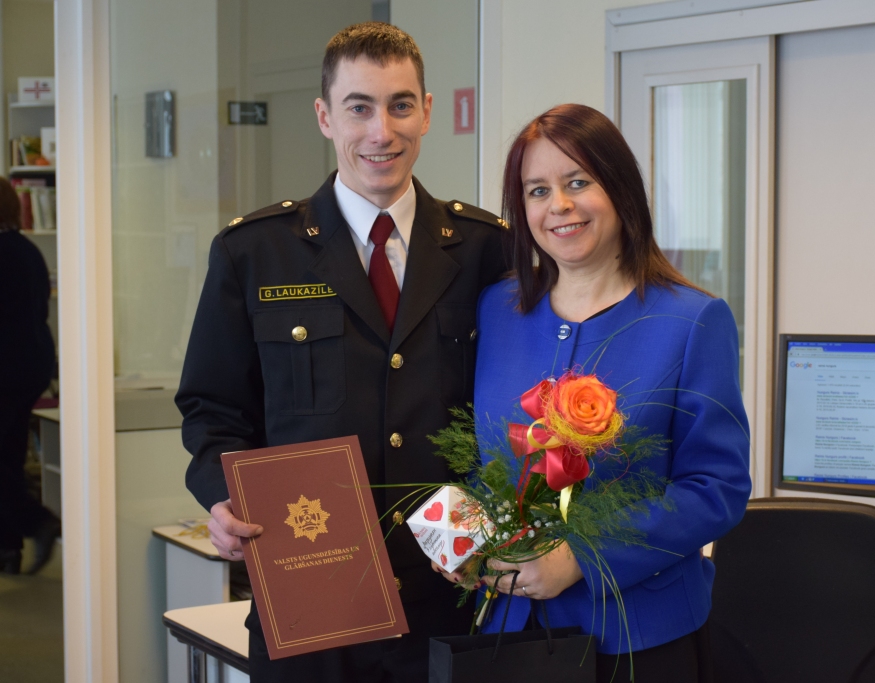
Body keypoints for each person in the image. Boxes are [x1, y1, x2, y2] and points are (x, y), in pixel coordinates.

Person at [175, 22, 507, 682]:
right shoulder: (254, 252)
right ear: (326, 116)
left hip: (449, 594)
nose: (381, 132)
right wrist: (220, 496)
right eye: (359, 107)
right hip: (307, 598)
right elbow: (211, 409)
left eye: (400, 105)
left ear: (428, 111)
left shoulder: (483, 249)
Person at [453, 104, 752, 681]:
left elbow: (717, 488)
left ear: (620, 189)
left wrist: (581, 560)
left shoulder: (693, 321)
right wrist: (468, 538)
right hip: (507, 630)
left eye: (578, 182)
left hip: (638, 636)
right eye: (537, 190)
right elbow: (479, 457)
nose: (558, 205)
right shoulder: (498, 309)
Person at [0, 177, 60, 575]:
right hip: (29, 367)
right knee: (8, 457)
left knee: (5, 462)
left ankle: (35, 524)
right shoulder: (27, 249)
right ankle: (10, 547)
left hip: (7, 370)